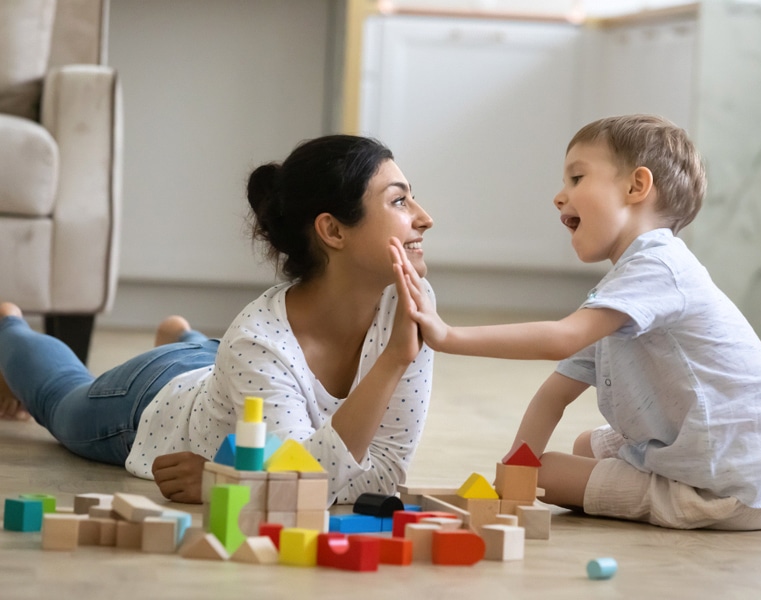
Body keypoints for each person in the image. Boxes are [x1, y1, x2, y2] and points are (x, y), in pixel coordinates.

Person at [392, 114, 761, 530]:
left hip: (719, 478)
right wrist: (512, 473)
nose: (559, 196)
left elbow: (560, 339)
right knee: (583, 446)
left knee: (549, 475)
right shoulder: (624, 291)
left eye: (576, 178)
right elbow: (553, 396)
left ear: (636, 187)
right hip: (751, 454)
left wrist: (448, 335)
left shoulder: (658, 265)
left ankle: (742, 502)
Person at [0, 134, 435, 506]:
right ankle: (10, 328)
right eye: (399, 200)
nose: (424, 218)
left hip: (222, 370)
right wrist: (394, 360)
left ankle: (183, 338)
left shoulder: (409, 303)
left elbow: (384, 479)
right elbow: (304, 484)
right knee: (61, 401)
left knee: (232, 368)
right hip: (150, 403)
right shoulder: (257, 341)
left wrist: (232, 480)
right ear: (333, 231)